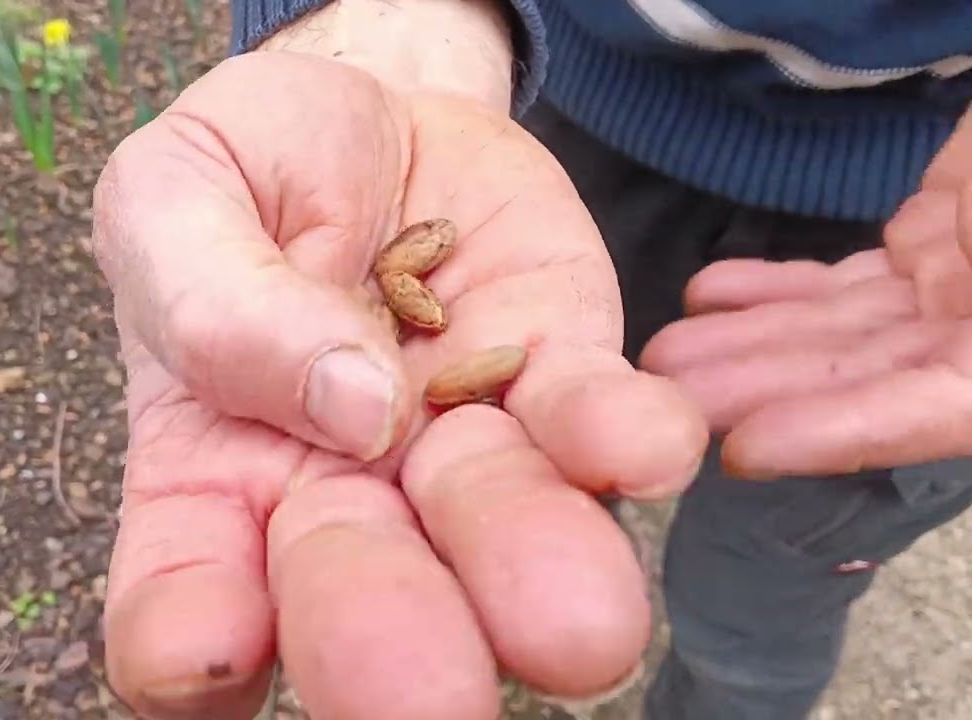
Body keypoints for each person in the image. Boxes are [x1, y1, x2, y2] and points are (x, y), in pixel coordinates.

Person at [88, 0, 972, 717]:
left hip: (926, 236)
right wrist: (380, 28)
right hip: (557, 101)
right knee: (567, 438)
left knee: (765, 595)